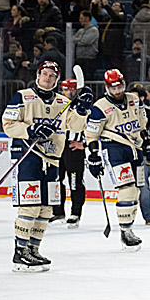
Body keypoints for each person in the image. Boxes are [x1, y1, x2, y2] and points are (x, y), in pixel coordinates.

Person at [2, 61, 93, 271]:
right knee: (30, 206)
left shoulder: (63, 101)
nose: (48, 78)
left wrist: (82, 109)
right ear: (38, 74)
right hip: (28, 155)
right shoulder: (23, 96)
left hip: (52, 159)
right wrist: (31, 129)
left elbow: (76, 126)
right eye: (45, 73)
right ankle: (20, 252)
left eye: (52, 75)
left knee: (46, 209)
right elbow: (8, 124)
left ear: (57, 79)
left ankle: (33, 249)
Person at [85, 69, 150, 251]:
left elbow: (142, 124)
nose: (117, 91)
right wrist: (94, 156)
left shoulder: (134, 100)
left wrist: (149, 142)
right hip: (114, 148)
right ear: (107, 87)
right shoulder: (100, 107)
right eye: (113, 87)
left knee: (136, 190)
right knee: (126, 189)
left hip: (135, 148)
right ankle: (125, 232)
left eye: (120, 86)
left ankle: (128, 228)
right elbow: (91, 135)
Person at [51, 78, 88, 228]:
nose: (65, 93)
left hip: (74, 149)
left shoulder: (83, 106)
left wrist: (84, 144)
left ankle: (75, 213)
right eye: (64, 90)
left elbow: (93, 127)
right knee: (56, 180)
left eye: (68, 90)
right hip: (59, 148)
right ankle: (58, 211)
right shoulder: (57, 105)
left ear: (75, 90)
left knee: (75, 182)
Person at [128, 83, 150, 226]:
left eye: (135, 97)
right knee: (127, 186)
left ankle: (148, 216)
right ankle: (126, 215)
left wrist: (149, 140)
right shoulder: (123, 112)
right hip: (126, 153)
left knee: (143, 185)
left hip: (142, 155)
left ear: (142, 98)